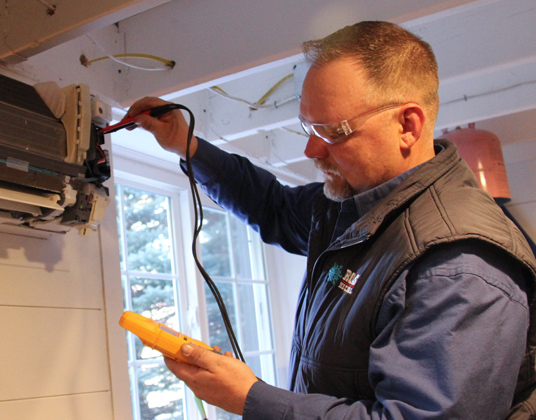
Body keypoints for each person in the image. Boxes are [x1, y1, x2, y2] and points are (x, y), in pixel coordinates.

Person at [122, 21, 536, 419]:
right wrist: (185, 142)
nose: (311, 150)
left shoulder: (457, 265)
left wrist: (252, 399)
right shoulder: (355, 203)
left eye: (332, 130)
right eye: (308, 126)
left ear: (407, 126)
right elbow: (275, 207)